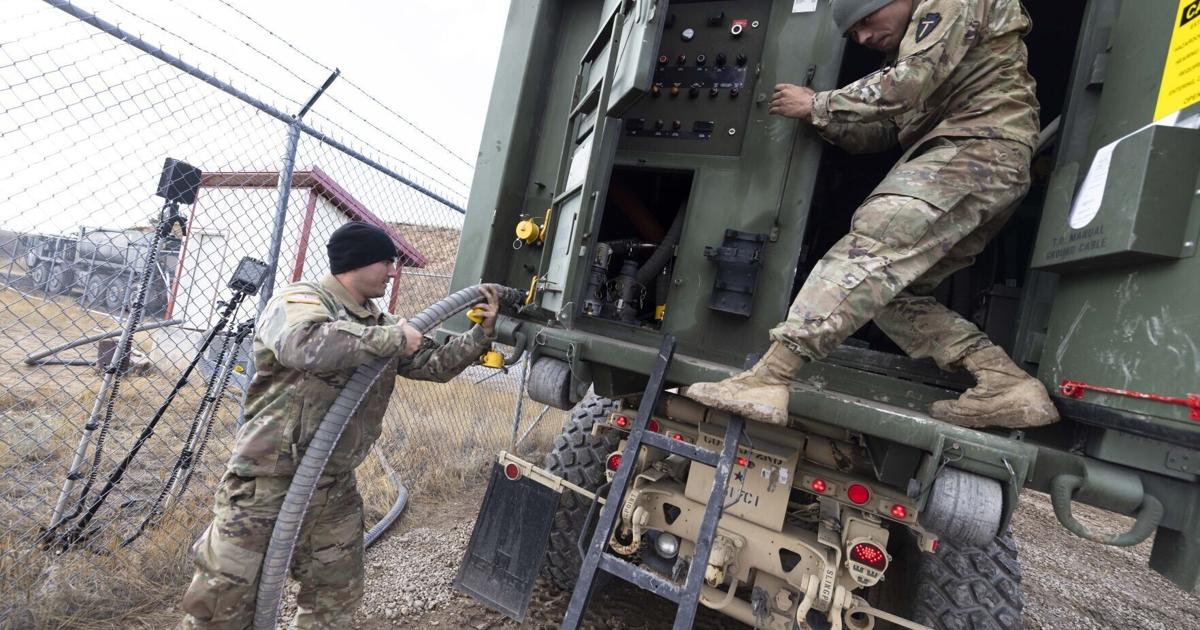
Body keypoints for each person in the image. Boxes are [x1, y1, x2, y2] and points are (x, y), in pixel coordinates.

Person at [686, 0, 1059, 429]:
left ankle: (770, 378)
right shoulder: (917, 49)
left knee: (871, 246)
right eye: (853, 34)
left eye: (866, 20)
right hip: (984, 162)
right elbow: (881, 131)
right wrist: (821, 118)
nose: (862, 37)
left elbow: (903, 87)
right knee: (892, 295)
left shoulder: (950, 4)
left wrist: (819, 103)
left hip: (975, 148)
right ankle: (1005, 384)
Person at [180, 222, 498, 628]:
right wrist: (393, 339)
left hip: (333, 487)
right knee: (222, 606)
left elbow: (434, 365)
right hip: (268, 484)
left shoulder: (381, 321)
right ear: (358, 262)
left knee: (335, 598)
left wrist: (480, 333)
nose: (392, 270)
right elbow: (305, 344)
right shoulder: (299, 300)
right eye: (386, 261)